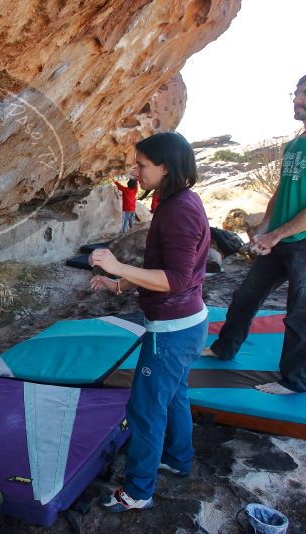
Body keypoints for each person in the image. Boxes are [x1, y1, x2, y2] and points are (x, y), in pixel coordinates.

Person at [89, 132, 209, 512]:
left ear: (165, 167)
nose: (135, 171)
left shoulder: (179, 210)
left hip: (172, 332)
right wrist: (119, 283)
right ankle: (178, 459)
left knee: (145, 410)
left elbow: (174, 278)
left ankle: (138, 492)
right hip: (186, 324)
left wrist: (115, 264)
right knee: (174, 397)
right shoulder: (177, 201)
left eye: (142, 165)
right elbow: (165, 269)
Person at [202, 75, 306, 395]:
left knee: (299, 314)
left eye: (302, 94)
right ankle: (225, 348)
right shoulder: (294, 144)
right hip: (279, 239)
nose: (295, 100)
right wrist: (264, 229)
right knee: (246, 295)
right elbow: (280, 191)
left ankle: (295, 380)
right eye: (295, 93)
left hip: (300, 242)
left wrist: (277, 234)